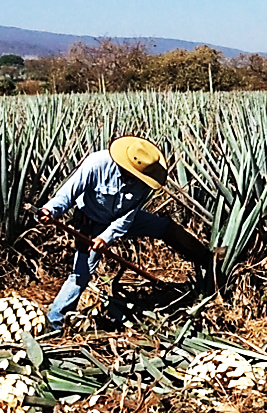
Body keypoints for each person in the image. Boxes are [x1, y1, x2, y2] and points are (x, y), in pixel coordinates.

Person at [39, 136, 211, 329]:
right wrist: (50, 210)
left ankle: (208, 260)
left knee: (165, 228)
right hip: (91, 220)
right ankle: (54, 320)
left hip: (122, 219)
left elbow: (127, 217)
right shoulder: (97, 164)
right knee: (82, 271)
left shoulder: (147, 177)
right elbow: (68, 193)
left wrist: (106, 237)